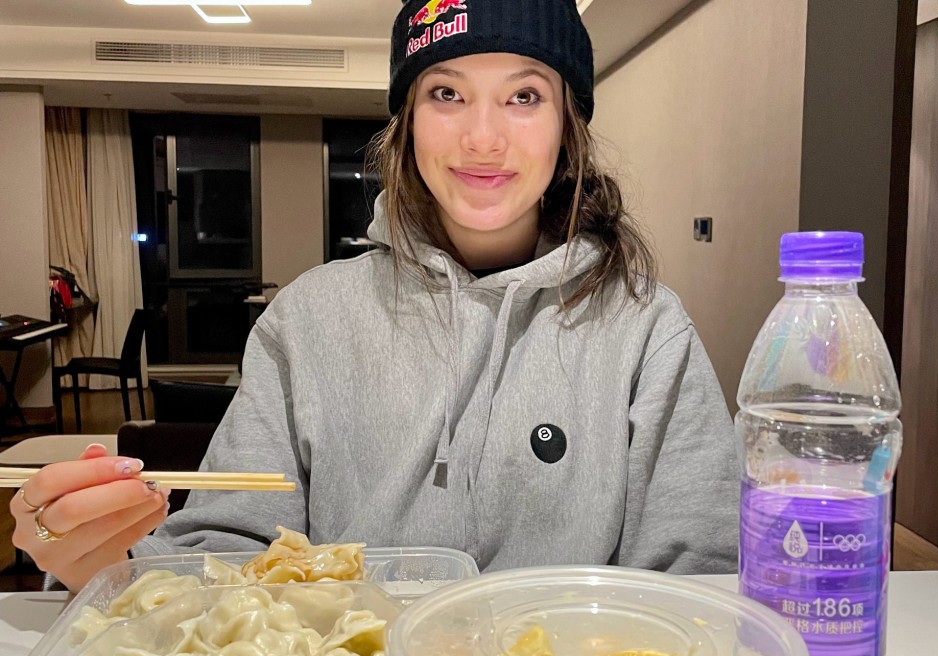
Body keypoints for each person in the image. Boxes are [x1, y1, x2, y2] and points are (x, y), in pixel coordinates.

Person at [11, 0, 739, 594]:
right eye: (446, 93)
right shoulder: (307, 320)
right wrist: (101, 566)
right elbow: (228, 552)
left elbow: (700, 577)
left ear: (567, 130)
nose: (483, 137)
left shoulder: (646, 327)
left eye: (524, 96)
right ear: (408, 122)